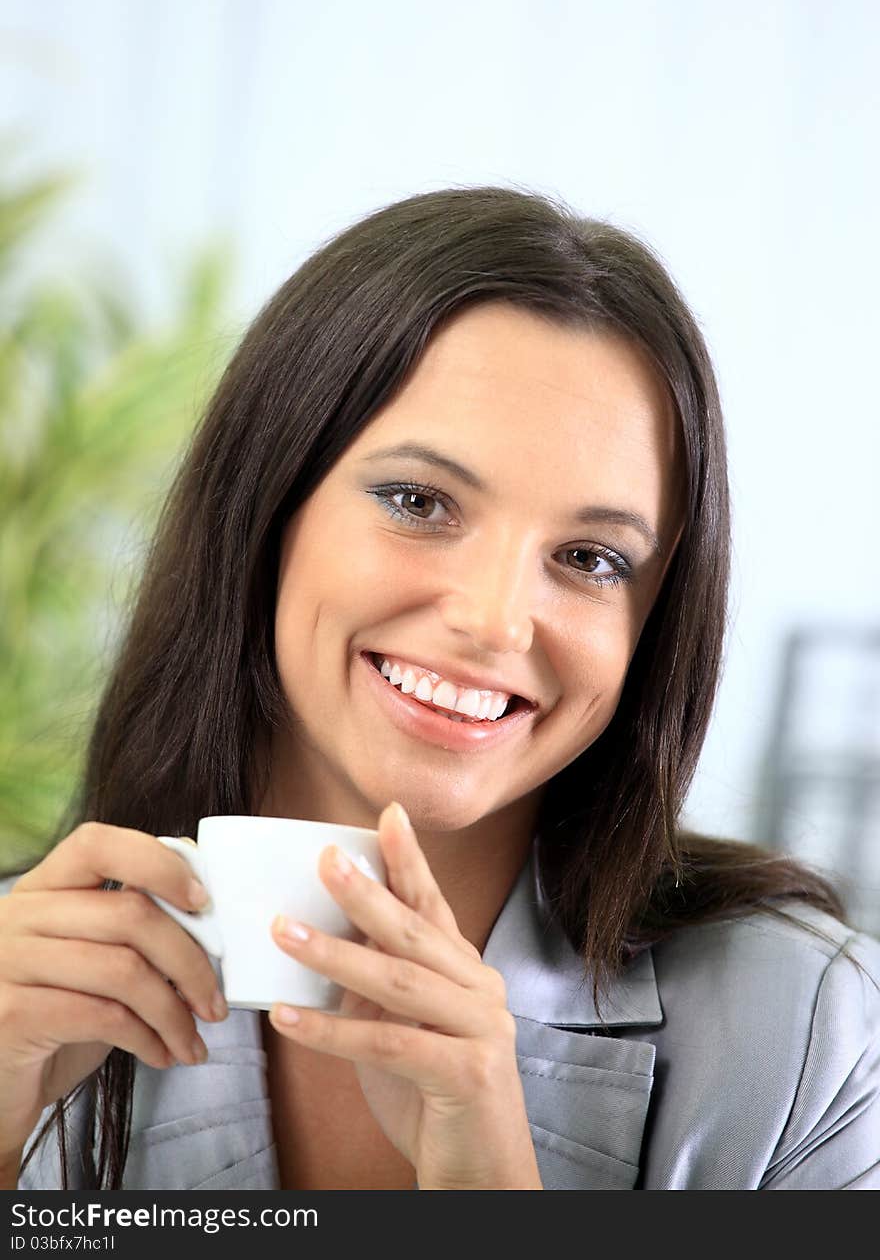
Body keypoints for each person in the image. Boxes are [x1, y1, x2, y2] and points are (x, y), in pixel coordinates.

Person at [1, 186, 878, 1191]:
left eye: (589, 557)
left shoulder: (812, 1034)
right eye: (418, 502)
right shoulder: (17, 982)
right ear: (268, 501)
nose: (498, 620)